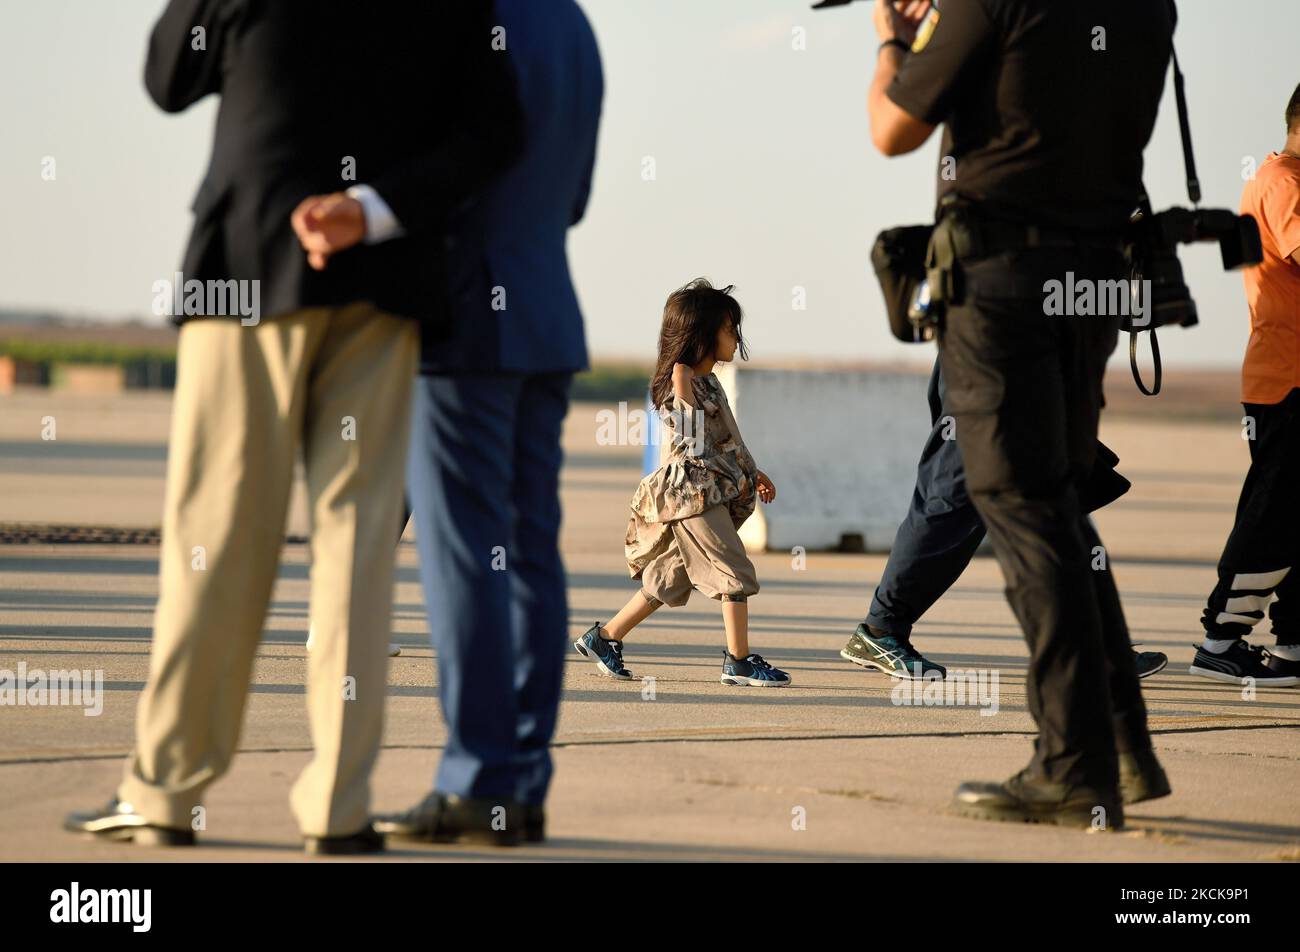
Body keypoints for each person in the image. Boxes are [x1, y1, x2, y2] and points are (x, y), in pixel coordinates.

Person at [64, 0, 524, 854]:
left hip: (245, 266)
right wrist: (376, 207)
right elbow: (496, 131)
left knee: (217, 535)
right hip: (382, 280)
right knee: (356, 547)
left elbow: (168, 79)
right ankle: (339, 810)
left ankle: (166, 791)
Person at [866, 0, 1172, 828]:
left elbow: (892, 126)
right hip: (1096, 283)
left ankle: (1072, 767)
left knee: (1022, 508)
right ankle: (1121, 748)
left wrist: (897, 36)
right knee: (1059, 504)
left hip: (1004, 287)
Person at [372, 0, 603, 848]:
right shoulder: (574, 26)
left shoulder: (461, 17)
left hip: (467, 316)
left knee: (465, 557)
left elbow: (431, 171)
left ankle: (477, 779)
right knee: (528, 551)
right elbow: (573, 198)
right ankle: (520, 781)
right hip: (545, 310)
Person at [840, 356, 1169, 681]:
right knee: (952, 505)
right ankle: (880, 630)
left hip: (1029, 368)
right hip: (986, 362)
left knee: (1052, 509)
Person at [574, 279, 792, 688]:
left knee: (672, 574)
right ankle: (739, 662)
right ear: (703, 333)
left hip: (712, 491)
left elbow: (726, 439)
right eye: (730, 329)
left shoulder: (708, 382)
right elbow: (691, 443)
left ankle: (604, 638)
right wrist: (681, 384)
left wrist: (751, 470)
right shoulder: (683, 382)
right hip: (693, 496)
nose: (736, 338)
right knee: (733, 567)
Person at [1189, 84, 1300, 688]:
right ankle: (1220, 639)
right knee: (1272, 517)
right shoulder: (1283, 181)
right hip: (1287, 381)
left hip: (1283, 374)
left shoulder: (1268, 178)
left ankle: (1294, 644)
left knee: (1292, 516)